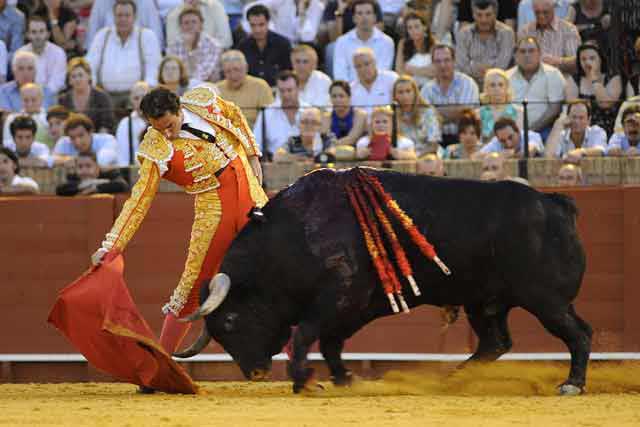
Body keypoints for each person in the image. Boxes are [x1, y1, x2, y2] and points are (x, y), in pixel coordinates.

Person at [89, 85, 268, 365]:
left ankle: (299, 365)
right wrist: (111, 246)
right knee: (191, 290)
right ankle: (160, 363)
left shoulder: (202, 101)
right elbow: (139, 201)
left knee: (278, 277)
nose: (167, 135)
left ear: (179, 109)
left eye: (170, 126)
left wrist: (253, 154)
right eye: (159, 129)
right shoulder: (155, 149)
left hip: (252, 198)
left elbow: (234, 113)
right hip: (213, 211)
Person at [506, 36, 565, 139]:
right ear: (516, 55)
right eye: (522, 51)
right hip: (511, 132)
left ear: (539, 53)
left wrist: (531, 131)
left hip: (544, 129)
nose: (527, 55)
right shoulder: (506, 77)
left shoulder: (553, 74)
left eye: (531, 51)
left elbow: (554, 109)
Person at [420, 44, 479, 147]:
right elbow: (424, 117)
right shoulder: (426, 89)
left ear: (454, 61)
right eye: (438, 61)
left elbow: (466, 113)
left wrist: (435, 113)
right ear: (432, 64)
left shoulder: (467, 83)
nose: (442, 65)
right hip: (435, 141)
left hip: (463, 139)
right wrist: (455, 111)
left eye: (447, 60)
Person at [565, 43, 622, 136]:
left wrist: (594, 79)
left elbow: (605, 103)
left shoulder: (613, 78)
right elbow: (572, 107)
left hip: (608, 129)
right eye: (583, 59)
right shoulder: (574, 80)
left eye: (592, 58)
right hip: (580, 128)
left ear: (600, 59)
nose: (587, 62)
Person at [455, 0, 515, 87]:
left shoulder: (507, 33)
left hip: (499, 85)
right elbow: (461, 65)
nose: (483, 20)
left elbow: (503, 65)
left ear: (495, 14)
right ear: (473, 14)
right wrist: (489, 67)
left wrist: (474, 66)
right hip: (469, 84)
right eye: (479, 15)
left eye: (488, 15)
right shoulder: (463, 33)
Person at [333, 0, 394, 82]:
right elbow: (340, 75)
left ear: (375, 17)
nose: (364, 17)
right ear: (354, 18)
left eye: (368, 13)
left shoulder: (386, 42)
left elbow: (383, 73)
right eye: (360, 13)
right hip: (349, 91)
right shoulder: (342, 42)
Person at [253, 70, 309, 157]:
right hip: (275, 163)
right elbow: (256, 144)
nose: (286, 95)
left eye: (289, 90)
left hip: (305, 162)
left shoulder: (309, 111)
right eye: (282, 91)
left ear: (298, 89)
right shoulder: (267, 112)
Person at [518, 0, 581, 75]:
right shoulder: (526, 31)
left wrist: (556, 62)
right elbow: (518, 60)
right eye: (537, 12)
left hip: (561, 80)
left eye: (545, 12)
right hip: (532, 79)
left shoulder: (568, 29)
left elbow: (576, 61)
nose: (541, 16)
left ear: (553, 10)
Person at [235, 4, 292, 87]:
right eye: (253, 25)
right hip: (251, 90)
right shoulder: (243, 46)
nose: (257, 30)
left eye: (261, 25)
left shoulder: (283, 44)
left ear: (268, 23)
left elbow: (288, 72)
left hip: (277, 89)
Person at [215, 50, 274, 128]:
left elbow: (270, 119)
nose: (233, 75)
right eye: (228, 71)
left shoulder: (260, 86)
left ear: (246, 68)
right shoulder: (217, 89)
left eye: (237, 70)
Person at [166, 6, 223, 83]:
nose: (190, 26)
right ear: (180, 26)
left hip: (206, 87)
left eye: (194, 22)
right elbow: (171, 72)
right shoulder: (173, 45)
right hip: (180, 85)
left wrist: (189, 49)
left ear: (201, 25)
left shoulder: (214, 45)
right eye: (186, 23)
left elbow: (203, 74)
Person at [59, 57, 116, 133]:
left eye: (80, 75)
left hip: (98, 137)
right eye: (73, 76)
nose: (77, 79)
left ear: (89, 76)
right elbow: (61, 123)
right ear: (69, 81)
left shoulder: (102, 97)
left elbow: (107, 124)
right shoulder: (63, 100)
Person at [392, 75, 442, 157]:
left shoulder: (428, 112)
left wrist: (415, 156)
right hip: (402, 157)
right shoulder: (392, 115)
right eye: (400, 92)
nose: (405, 96)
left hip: (426, 156)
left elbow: (433, 146)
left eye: (408, 91)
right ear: (395, 96)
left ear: (415, 93)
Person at [18, 16, 67, 95]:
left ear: (48, 34)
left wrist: (41, 96)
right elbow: (21, 81)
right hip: (27, 97)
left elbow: (57, 83)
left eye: (41, 31)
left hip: (52, 99)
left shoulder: (58, 53)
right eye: (34, 32)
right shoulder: (21, 54)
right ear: (27, 34)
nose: (38, 36)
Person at [52, 113, 119, 167]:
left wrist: (74, 160)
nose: (77, 142)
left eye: (81, 135)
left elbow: (102, 161)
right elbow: (51, 160)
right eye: (72, 138)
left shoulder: (108, 140)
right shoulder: (64, 142)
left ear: (90, 132)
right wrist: (64, 160)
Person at [478, 68, 523, 143]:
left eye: (500, 85)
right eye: (492, 85)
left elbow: (520, 141)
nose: (497, 89)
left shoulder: (519, 112)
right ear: (486, 89)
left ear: (506, 88)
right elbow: (478, 142)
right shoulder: (478, 114)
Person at [350, 47, 397, 115]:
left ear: (375, 62)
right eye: (358, 66)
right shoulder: (351, 89)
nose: (363, 69)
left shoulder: (391, 79)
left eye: (367, 64)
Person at [56, 151, 129, 196]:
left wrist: (95, 188)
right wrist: (86, 184)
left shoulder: (109, 174)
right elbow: (60, 189)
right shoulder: (74, 177)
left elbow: (122, 185)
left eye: (88, 166)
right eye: (80, 167)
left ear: (97, 167)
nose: (84, 170)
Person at [394, 12, 436, 88]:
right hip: (410, 87)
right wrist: (425, 71)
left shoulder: (434, 44)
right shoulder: (403, 43)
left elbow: (436, 71)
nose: (413, 31)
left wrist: (413, 70)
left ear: (424, 27)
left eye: (416, 27)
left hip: (430, 86)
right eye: (410, 28)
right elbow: (399, 69)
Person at [321, 80, 367, 146]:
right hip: (333, 153)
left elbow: (352, 138)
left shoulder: (360, 115)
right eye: (334, 96)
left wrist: (334, 144)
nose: (337, 100)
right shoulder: (326, 117)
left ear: (349, 97)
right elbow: (325, 138)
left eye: (341, 96)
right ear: (330, 99)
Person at [115, 81, 150, 166]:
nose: (141, 102)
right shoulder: (125, 124)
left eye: (144, 97)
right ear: (131, 101)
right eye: (136, 98)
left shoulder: (162, 120)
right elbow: (123, 157)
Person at [290, 44, 331, 110]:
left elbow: (323, 110)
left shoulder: (324, 80)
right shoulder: (286, 81)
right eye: (297, 61)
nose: (301, 66)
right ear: (292, 64)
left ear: (314, 65)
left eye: (305, 62)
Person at [479, 117, 545, 158]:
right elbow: (476, 157)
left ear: (518, 132)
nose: (508, 144)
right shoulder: (497, 140)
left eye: (510, 137)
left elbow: (528, 153)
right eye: (503, 141)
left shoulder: (532, 136)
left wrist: (511, 154)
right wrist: (498, 155)